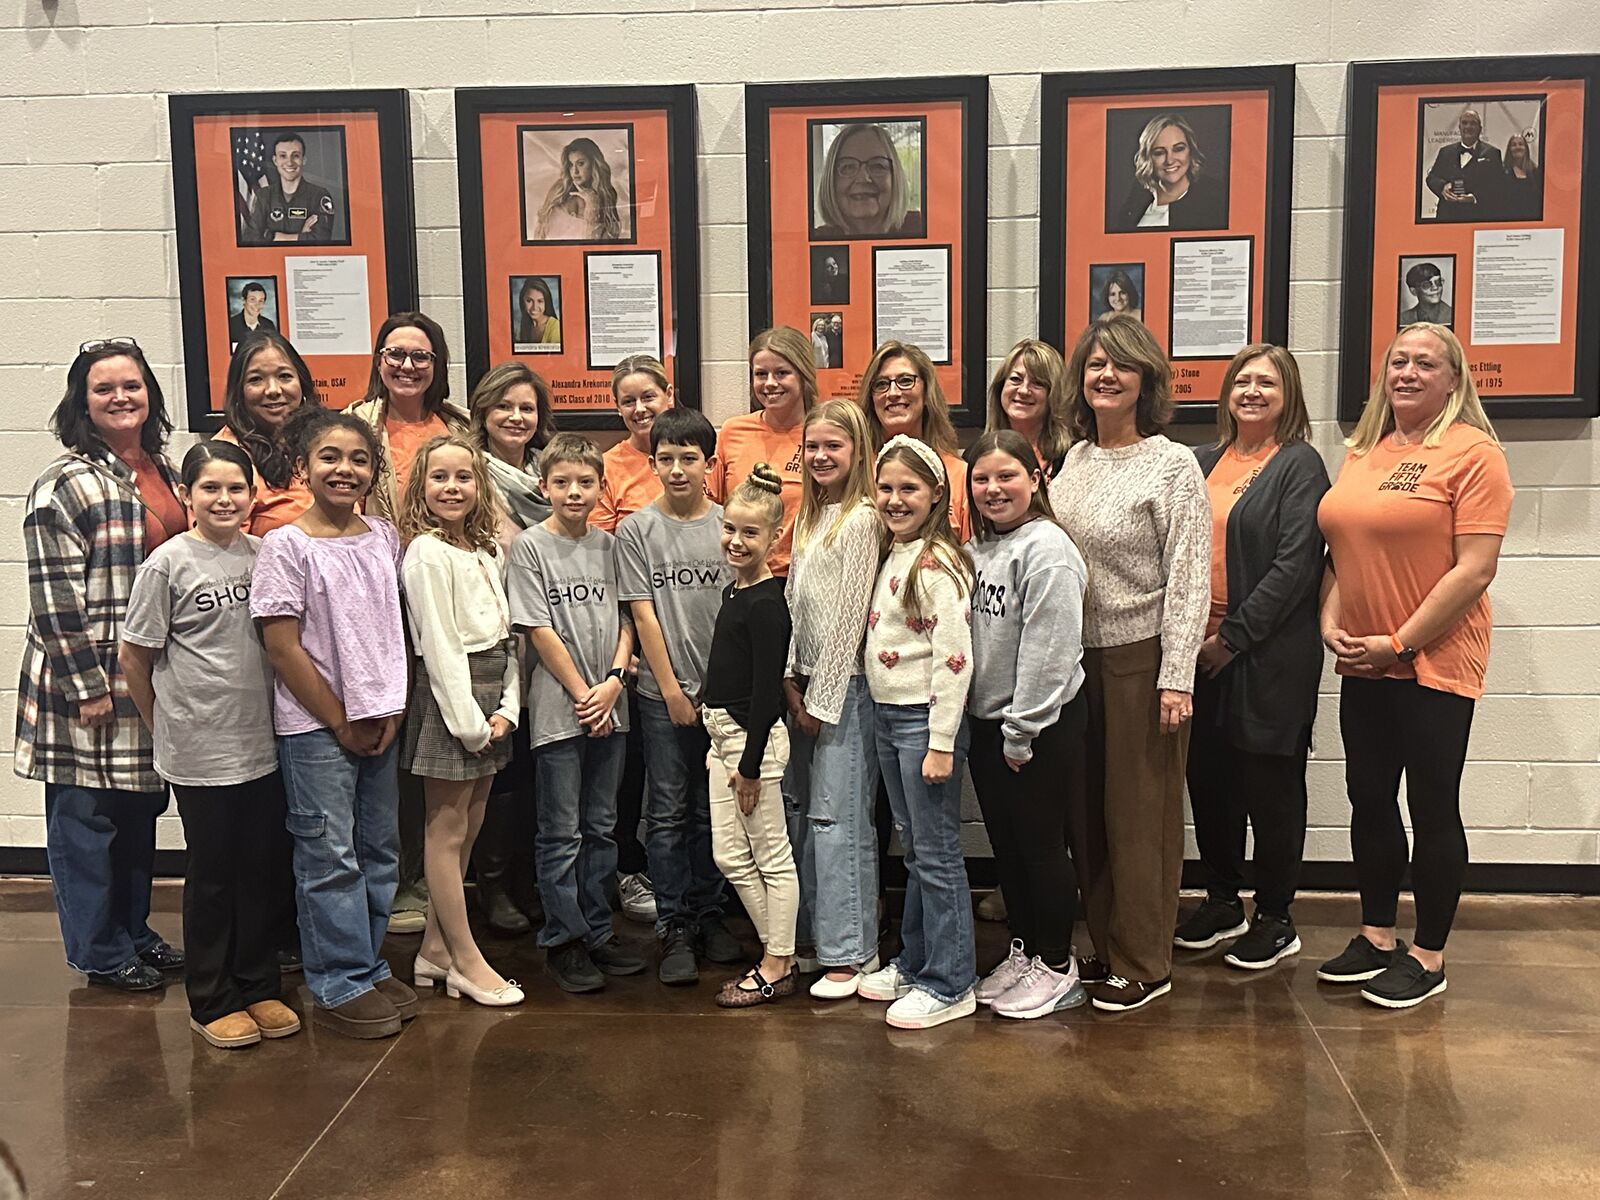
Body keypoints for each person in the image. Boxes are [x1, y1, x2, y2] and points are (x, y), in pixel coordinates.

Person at [1316, 322, 1512, 1009]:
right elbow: (1344, 548)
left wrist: (1398, 642)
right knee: (1368, 800)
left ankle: (1427, 955)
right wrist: (1330, 621)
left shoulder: (1473, 454)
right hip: (1364, 660)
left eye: (1425, 363)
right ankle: (1376, 937)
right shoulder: (1363, 451)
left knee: (1430, 806)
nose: (1407, 372)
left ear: (1453, 380)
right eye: (1398, 360)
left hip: (1432, 661)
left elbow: (1474, 570)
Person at [1048, 314, 1210, 1012]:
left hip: (1139, 660)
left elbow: (1190, 574)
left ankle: (1145, 960)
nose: (1105, 376)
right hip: (1075, 661)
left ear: (1146, 380)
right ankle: (1109, 944)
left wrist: (1177, 674)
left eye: (1121, 365)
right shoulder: (1074, 461)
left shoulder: (1171, 464)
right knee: (1088, 816)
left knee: (1140, 815)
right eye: (1094, 365)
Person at [16, 338, 187, 992]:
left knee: (139, 817)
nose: (122, 397)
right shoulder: (64, 483)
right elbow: (54, 598)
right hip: (82, 686)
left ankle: (135, 931)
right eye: (105, 388)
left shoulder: (162, 471)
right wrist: (89, 687)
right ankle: (99, 949)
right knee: (86, 825)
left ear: (150, 395)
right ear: (82, 402)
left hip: (146, 682)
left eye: (133, 386)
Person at [119, 440, 300, 1048]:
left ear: (252, 496)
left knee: (261, 871)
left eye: (236, 489)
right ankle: (212, 995)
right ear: (188, 496)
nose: (224, 500)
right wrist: (163, 726)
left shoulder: (265, 555)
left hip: (262, 744)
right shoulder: (168, 564)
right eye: (210, 489)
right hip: (200, 752)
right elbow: (134, 657)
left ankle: (258, 984)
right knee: (214, 874)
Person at [250, 407, 414, 1039]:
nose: (345, 469)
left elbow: (390, 632)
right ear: (305, 467)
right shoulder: (286, 546)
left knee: (379, 850)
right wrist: (340, 721)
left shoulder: (382, 537)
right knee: (330, 855)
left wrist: (390, 708)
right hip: (319, 728)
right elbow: (283, 647)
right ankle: (336, 978)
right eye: (330, 457)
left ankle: (369, 965)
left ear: (373, 471)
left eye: (359, 459)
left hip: (379, 720)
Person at [1174, 345, 1330, 970]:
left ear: (1288, 395)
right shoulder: (1201, 462)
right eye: (1243, 381)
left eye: (1268, 382)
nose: (1253, 391)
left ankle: (1275, 915)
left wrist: (1230, 639)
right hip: (1197, 654)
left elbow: (1296, 567)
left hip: (1265, 657)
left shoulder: (1299, 466)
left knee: (1269, 786)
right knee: (1208, 783)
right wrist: (1196, 643)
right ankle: (1220, 899)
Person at [507, 434, 643, 992]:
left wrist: (612, 681)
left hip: (611, 706)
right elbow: (538, 628)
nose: (574, 491)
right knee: (560, 832)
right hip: (560, 712)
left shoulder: (611, 547)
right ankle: (562, 939)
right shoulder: (530, 548)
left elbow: (630, 617)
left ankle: (597, 930)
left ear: (601, 488)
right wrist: (584, 692)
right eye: (561, 481)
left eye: (585, 482)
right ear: (545, 487)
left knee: (602, 827)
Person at [349, 311, 470, 934]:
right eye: (395, 354)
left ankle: (435, 874)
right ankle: (392, 877)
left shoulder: (457, 427)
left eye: (420, 356)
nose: (406, 366)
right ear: (378, 360)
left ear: (437, 364)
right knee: (392, 730)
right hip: (378, 597)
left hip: (446, 589)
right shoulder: (356, 422)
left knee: (441, 728)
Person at [965, 431, 1091, 1020]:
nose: (994, 489)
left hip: (1039, 728)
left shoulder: (1047, 549)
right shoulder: (979, 550)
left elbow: (1050, 650)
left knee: (1042, 849)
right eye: (982, 479)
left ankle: (1056, 965)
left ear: (1036, 477)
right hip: (989, 724)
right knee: (1008, 850)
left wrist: (1022, 731)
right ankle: (1024, 950)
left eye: (1007, 476)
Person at [616, 408, 743, 985]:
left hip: (723, 696)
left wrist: (719, 691)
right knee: (666, 812)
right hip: (662, 696)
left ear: (710, 465)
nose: (676, 469)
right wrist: (669, 690)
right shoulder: (638, 531)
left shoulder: (729, 526)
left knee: (712, 810)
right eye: (665, 458)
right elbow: (643, 611)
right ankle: (674, 925)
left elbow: (739, 611)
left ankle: (710, 911)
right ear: (652, 463)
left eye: (689, 458)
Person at [854, 436, 977, 1029]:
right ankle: (916, 959)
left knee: (936, 852)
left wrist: (941, 741)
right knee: (914, 847)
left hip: (921, 723)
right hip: (888, 714)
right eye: (886, 488)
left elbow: (955, 659)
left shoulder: (935, 564)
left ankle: (952, 981)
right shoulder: (896, 550)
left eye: (910, 489)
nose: (895, 499)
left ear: (935, 495)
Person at [398, 435, 523, 1008]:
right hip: (455, 701)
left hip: (491, 694)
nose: (453, 488)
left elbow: (507, 637)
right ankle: (467, 961)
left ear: (480, 485)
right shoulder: (426, 552)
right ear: (421, 486)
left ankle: (434, 950)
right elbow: (442, 648)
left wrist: (507, 709)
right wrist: (471, 723)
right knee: (445, 831)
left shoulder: (486, 549)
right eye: (440, 477)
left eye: (463, 477)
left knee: (469, 826)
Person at [783, 400, 884, 1000]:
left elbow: (851, 618)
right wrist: (789, 677)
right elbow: (797, 601)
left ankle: (854, 951)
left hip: (844, 691)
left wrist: (821, 701)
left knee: (839, 819)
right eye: (813, 447)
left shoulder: (863, 518)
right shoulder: (810, 517)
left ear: (857, 452)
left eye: (834, 447)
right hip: (805, 687)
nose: (821, 457)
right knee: (806, 819)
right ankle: (817, 939)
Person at [702, 465, 799, 1007]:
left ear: (774, 537)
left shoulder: (767, 603)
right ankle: (777, 949)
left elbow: (767, 693)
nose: (737, 542)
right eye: (730, 529)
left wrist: (752, 763)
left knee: (770, 855)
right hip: (722, 741)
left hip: (749, 744)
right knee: (730, 857)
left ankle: (776, 961)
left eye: (750, 533)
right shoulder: (733, 592)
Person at [465, 362, 554, 933]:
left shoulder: (552, 473)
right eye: (504, 407)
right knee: (500, 767)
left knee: (538, 769)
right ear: (484, 413)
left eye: (526, 408)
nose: (516, 417)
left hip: (554, 633)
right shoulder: (470, 473)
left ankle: (528, 878)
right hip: (496, 635)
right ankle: (493, 884)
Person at [591, 355, 679, 925]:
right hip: (629, 625)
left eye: (649, 395)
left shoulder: (697, 448)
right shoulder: (609, 465)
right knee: (633, 764)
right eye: (628, 400)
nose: (640, 408)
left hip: (691, 622)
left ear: (669, 395)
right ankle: (627, 868)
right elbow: (599, 544)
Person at [708, 327, 814, 576]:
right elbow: (715, 506)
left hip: (802, 575)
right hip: (742, 574)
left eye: (782, 373)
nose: (769, 384)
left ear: (803, 375)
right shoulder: (733, 431)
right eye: (761, 374)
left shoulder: (823, 436)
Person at [858, 340, 970, 540]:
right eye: (881, 384)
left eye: (906, 381)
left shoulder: (958, 474)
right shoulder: (856, 470)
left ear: (927, 392)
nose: (893, 393)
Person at [216, 330, 320, 536]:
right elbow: (220, 552)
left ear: (302, 382)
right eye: (256, 379)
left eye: (284, 376)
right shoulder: (225, 458)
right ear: (239, 391)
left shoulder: (322, 439)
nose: (273, 389)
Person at [1112, 112, 1228, 231]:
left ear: (1191, 151)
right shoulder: (1136, 199)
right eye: (1159, 152)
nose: (1169, 160)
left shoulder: (1216, 198)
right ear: (1148, 158)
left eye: (1178, 149)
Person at [814, 124, 925, 238]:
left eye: (877, 166)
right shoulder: (812, 241)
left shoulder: (923, 227)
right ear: (831, 181)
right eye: (848, 167)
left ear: (895, 176)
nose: (863, 178)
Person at [986, 339, 1073, 481]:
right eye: (1015, 379)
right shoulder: (978, 455)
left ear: (1054, 394)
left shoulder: (1073, 458)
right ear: (1000, 387)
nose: (1024, 390)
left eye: (1037, 383)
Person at [245, 132, 338, 244]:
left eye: (296, 156)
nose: (289, 162)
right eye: (283, 156)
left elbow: (321, 239)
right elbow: (250, 238)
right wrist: (301, 235)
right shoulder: (264, 196)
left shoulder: (319, 196)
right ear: (275, 161)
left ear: (303, 160)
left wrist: (273, 236)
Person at [534, 136, 623, 241]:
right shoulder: (560, 190)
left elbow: (600, 247)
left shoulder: (606, 196)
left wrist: (592, 204)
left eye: (580, 164)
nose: (575, 171)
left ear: (594, 164)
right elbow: (540, 232)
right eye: (571, 165)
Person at [1425, 109, 1502, 221]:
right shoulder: (1445, 152)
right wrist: (1443, 187)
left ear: (1480, 129)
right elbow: (1432, 177)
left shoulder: (1492, 153)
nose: (1468, 126)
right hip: (1447, 216)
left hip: (1479, 216)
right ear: (1459, 127)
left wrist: (1475, 197)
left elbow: (1498, 185)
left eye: (1473, 123)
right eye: (1465, 123)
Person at [1494, 132, 1542, 221]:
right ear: (1509, 149)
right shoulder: (1502, 172)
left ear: (1526, 149)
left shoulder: (1535, 172)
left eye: (1521, 144)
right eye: (1514, 145)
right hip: (1509, 220)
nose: (1517, 147)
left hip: (1532, 220)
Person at [1398, 262, 1453, 327]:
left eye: (1438, 282)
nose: (1435, 288)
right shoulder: (1403, 319)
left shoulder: (1452, 315)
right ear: (1414, 291)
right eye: (1426, 285)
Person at [515, 277, 561, 347]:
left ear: (547, 303)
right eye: (529, 301)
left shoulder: (556, 326)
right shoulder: (520, 328)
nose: (534, 307)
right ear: (522, 301)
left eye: (540, 301)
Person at [228, 282, 277, 348]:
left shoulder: (269, 325)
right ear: (243, 301)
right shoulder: (231, 325)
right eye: (252, 299)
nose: (257, 305)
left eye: (261, 301)